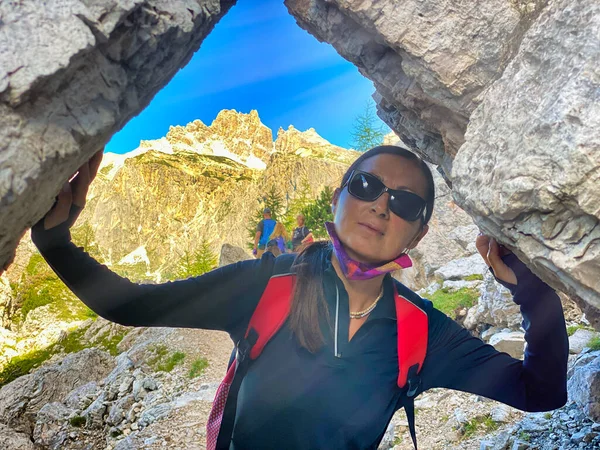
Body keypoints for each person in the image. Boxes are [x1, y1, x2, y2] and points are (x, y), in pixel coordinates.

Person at [31, 146, 568, 450]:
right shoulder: (265, 285)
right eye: (366, 187)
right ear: (338, 199)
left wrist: (532, 289)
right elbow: (129, 305)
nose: (381, 205)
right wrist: (54, 242)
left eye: (404, 203)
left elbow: (540, 392)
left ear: (418, 234)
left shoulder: (420, 330)